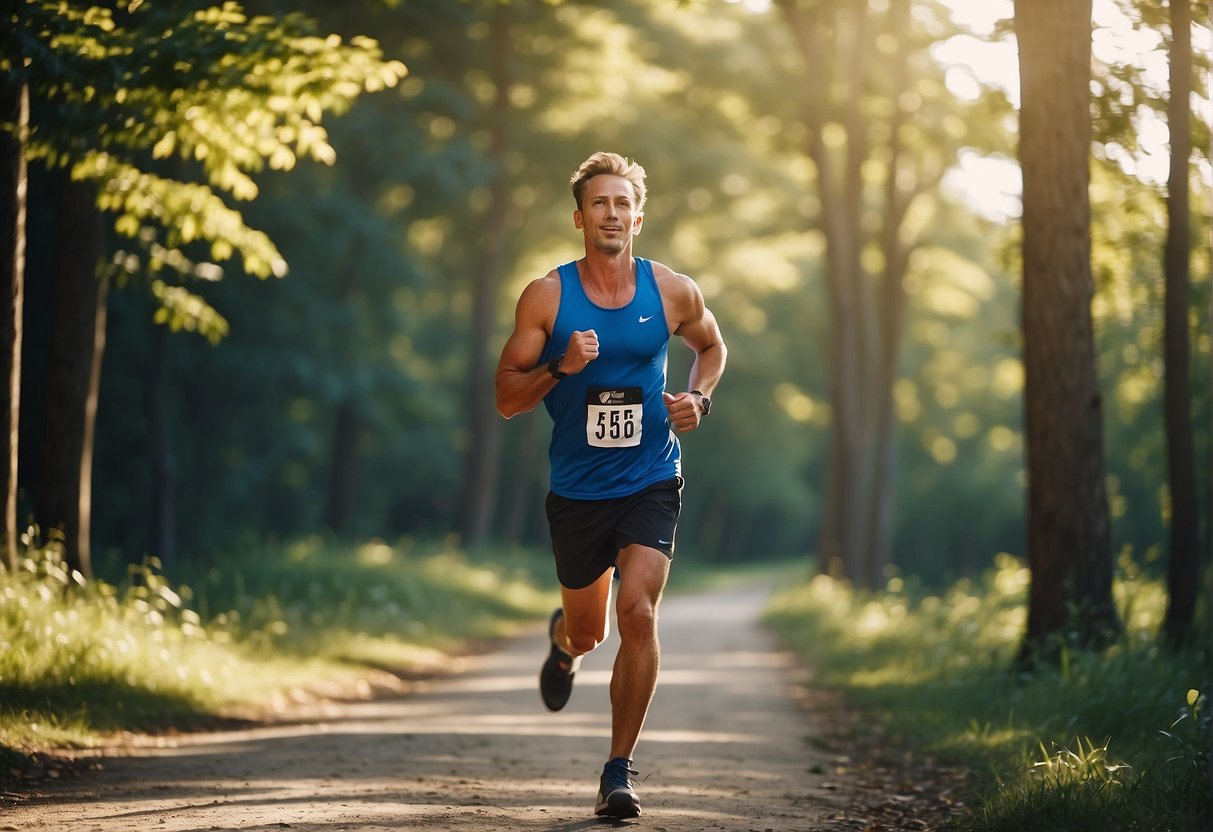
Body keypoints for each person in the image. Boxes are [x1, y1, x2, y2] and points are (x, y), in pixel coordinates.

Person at [494, 151, 726, 819]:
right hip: (576, 490)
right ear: (579, 217)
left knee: (639, 614)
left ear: (638, 217)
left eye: (622, 203)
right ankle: (562, 643)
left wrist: (698, 400)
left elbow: (711, 347)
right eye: (599, 203)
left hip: (651, 477)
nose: (612, 213)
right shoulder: (547, 296)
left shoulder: (673, 290)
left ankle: (617, 771)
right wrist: (560, 369)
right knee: (589, 631)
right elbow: (505, 398)